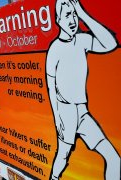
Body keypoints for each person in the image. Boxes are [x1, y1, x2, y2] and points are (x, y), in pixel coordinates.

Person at [46, 0, 120, 179]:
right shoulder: (55, 49)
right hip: (66, 112)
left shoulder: (82, 41)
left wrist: (83, 13)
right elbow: (51, 87)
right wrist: (58, 120)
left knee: (113, 158)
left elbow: (110, 43)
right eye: (66, 15)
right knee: (62, 157)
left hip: (82, 111)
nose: (71, 20)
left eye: (73, 14)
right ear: (58, 20)